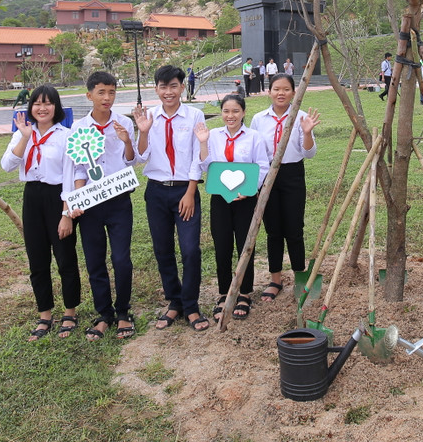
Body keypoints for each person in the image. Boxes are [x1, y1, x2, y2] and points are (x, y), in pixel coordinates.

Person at [1, 85, 80, 341]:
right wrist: (24, 137)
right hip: (32, 197)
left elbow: (73, 174)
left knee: (65, 257)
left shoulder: (67, 135)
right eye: (37, 103)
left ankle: (70, 311)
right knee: (37, 260)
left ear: (56, 107)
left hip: (59, 197)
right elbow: (6, 166)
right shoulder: (22, 134)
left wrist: (66, 212)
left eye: (48, 103)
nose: (42, 108)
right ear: (30, 107)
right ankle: (45, 314)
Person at [134, 65, 210, 331]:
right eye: (163, 87)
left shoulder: (194, 115)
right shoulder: (149, 117)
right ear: (156, 89)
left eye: (173, 86)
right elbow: (140, 157)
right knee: (162, 249)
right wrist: (142, 131)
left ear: (181, 87)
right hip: (156, 191)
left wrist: (191, 191)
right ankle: (174, 302)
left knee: (190, 250)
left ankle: (191, 306)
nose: (168, 92)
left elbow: (196, 157)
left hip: (184, 190)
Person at [66, 72, 137, 341]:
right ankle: (103, 314)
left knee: (121, 260)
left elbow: (131, 161)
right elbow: (79, 167)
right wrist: (78, 200)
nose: (107, 98)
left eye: (111, 92)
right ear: (89, 95)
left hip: (119, 200)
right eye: (101, 92)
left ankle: (122, 312)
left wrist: (126, 141)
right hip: (91, 205)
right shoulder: (79, 128)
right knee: (95, 261)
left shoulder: (123, 123)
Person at [195, 93, 270, 322]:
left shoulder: (254, 137)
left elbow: (262, 167)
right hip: (220, 198)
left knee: (245, 246)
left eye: (235, 111)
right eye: (226, 111)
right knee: (222, 245)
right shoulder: (213, 136)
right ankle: (223, 292)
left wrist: (247, 189)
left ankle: (245, 293)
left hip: (245, 200)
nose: (230, 116)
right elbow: (206, 166)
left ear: (243, 112)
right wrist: (204, 142)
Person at [250, 73, 321, 301]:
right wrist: (256, 183)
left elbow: (309, 153)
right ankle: (275, 280)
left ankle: (300, 277)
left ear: (294, 92)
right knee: (273, 230)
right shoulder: (258, 119)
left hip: (292, 175)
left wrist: (307, 132)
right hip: (266, 175)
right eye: (276, 89)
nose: (281, 93)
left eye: (286, 89)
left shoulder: (301, 117)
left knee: (294, 228)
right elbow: (253, 152)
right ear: (269, 92)